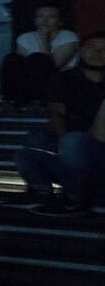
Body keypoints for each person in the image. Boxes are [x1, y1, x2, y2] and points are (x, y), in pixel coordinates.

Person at [12, 32, 105, 215]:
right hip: (75, 146)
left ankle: (74, 199)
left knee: (74, 141)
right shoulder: (65, 78)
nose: (98, 52)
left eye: (104, 49)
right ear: (80, 51)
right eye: (92, 47)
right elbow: (56, 112)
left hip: (100, 145)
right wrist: (65, 142)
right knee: (28, 151)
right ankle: (41, 192)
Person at [0, 5, 81, 108]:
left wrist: (44, 39)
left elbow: (54, 65)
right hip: (31, 79)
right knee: (12, 58)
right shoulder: (25, 37)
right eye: (40, 16)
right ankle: (9, 100)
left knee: (40, 59)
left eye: (51, 17)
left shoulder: (68, 36)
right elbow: (19, 66)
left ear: (60, 22)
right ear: (35, 20)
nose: (44, 20)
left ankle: (39, 100)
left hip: (61, 77)